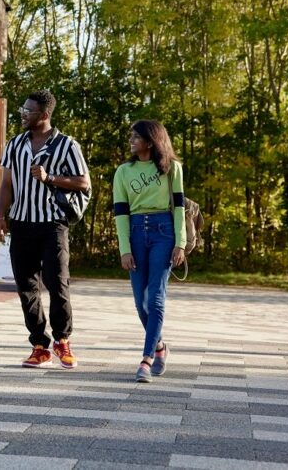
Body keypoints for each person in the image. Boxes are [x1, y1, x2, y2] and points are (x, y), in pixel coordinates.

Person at [0, 90, 90, 369]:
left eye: (29, 111)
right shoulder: (14, 144)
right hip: (22, 223)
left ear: (44, 115)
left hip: (53, 224)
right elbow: (7, 184)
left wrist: (51, 178)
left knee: (57, 282)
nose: (23, 114)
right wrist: (0, 217)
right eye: (22, 110)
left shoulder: (67, 145)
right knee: (26, 286)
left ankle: (62, 340)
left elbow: (83, 182)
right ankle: (39, 345)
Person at [113, 119, 187, 383]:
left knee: (154, 299)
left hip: (163, 233)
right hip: (135, 233)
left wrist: (180, 242)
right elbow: (121, 213)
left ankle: (146, 360)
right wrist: (124, 249)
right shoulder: (123, 171)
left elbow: (179, 207)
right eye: (131, 136)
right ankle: (160, 346)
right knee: (140, 302)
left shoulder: (172, 169)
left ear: (151, 140)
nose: (131, 140)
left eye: (136, 136)